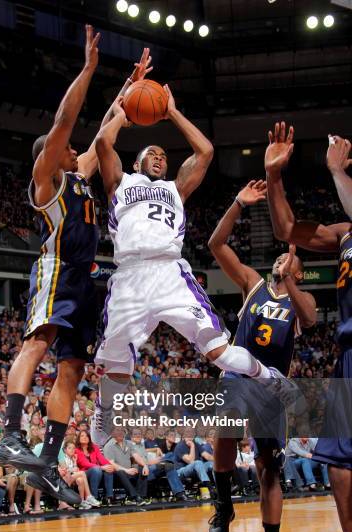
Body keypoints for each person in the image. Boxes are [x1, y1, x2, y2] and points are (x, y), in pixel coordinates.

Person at [0, 29, 153, 507]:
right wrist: (86, 70)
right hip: (57, 269)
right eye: (66, 146)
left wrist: (129, 87)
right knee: (36, 342)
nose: (75, 148)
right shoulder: (47, 181)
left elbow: (105, 127)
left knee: (72, 368)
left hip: (85, 279)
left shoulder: (79, 175)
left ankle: (46, 462)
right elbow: (67, 118)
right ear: (51, 153)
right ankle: (11, 431)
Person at [91, 94, 291, 447]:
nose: (159, 158)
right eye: (151, 154)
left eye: (163, 156)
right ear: (136, 165)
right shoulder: (120, 183)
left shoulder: (176, 189)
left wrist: (171, 111)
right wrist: (122, 112)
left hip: (170, 274)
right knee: (117, 362)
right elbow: (104, 142)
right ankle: (104, 410)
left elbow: (205, 151)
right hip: (129, 277)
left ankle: (268, 376)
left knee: (220, 352)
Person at [207, 178, 317, 532]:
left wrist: (291, 280)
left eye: (289, 265)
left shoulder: (300, 299)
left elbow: (307, 318)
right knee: (225, 427)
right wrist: (237, 203)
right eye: (278, 262)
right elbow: (217, 246)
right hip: (239, 377)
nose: (279, 263)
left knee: (269, 470)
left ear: (299, 273)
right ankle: (222, 506)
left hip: (273, 388)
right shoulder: (252, 284)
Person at [264, 121, 352, 532]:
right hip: (348, 357)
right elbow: (287, 230)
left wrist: (337, 172)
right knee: (338, 468)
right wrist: (274, 176)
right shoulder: (344, 233)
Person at [74, 430, 115, 504]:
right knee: (96, 469)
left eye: (86, 436)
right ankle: (93, 497)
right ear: (78, 438)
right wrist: (102, 467)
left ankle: (109, 497)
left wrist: (110, 466)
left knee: (108, 470)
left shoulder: (94, 447)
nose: (85, 437)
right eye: (82, 436)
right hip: (83, 473)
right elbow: (84, 463)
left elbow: (101, 458)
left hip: (96, 471)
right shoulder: (76, 450)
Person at [59, 439, 99, 510]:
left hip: (71, 478)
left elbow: (75, 470)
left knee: (80, 480)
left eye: (73, 448)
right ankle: (89, 496)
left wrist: (74, 462)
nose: (72, 450)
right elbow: (65, 470)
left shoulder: (72, 458)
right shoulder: (63, 457)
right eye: (69, 448)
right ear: (65, 450)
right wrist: (73, 469)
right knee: (82, 473)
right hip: (64, 479)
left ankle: (81, 502)